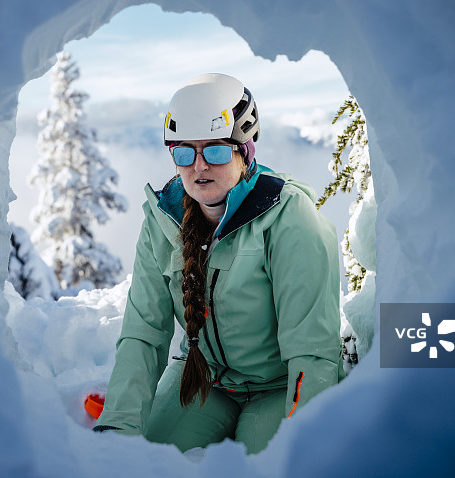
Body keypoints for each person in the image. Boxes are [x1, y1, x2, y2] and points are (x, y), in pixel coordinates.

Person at [93, 73, 344, 454]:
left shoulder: (289, 217)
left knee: (268, 468)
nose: (199, 167)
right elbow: (143, 334)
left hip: (277, 388)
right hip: (202, 380)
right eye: (184, 153)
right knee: (152, 461)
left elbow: (311, 348)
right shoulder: (163, 222)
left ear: (245, 151)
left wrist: (307, 443)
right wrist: (118, 424)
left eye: (215, 151)